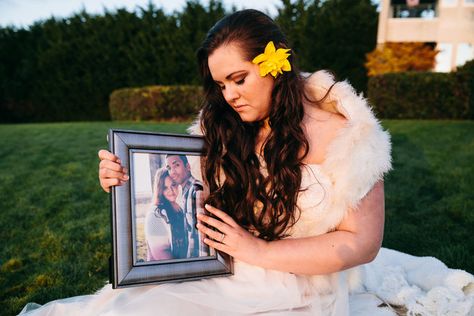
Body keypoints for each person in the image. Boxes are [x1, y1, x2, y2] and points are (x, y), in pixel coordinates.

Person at [20, 9, 473, 316]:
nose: (229, 95)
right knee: (128, 305)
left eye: (238, 78)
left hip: (301, 278)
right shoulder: (219, 123)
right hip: (222, 262)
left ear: (275, 64)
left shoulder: (346, 134)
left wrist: (259, 252)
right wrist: (123, 176)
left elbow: (363, 244)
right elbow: (186, 191)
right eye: (220, 84)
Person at [164, 154, 206, 257]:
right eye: (169, 168)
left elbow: (201, 238)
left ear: (188, 167)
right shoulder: (185, 193)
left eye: (176, 165)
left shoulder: (196, 190)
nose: (172, 172)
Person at [146, 168, 188, 260]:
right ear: (160, 189)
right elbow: (162, 256)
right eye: (165, 188)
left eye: (173, 185)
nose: (171, 191)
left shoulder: (178, 207)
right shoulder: (155, 214)